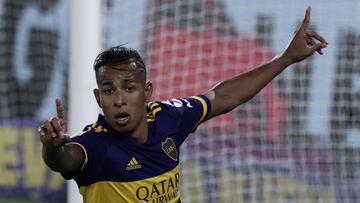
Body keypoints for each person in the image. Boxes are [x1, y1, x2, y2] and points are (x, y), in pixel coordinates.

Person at [39, 6, 327, 203]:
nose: (119, 99)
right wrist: (52, 148)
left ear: (147, 91)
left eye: (129, 88)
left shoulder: (169, 118)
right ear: (98, 98)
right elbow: (65, 160)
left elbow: (224, 97)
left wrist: (285, 58)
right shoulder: (94, 146)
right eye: (108, 90)